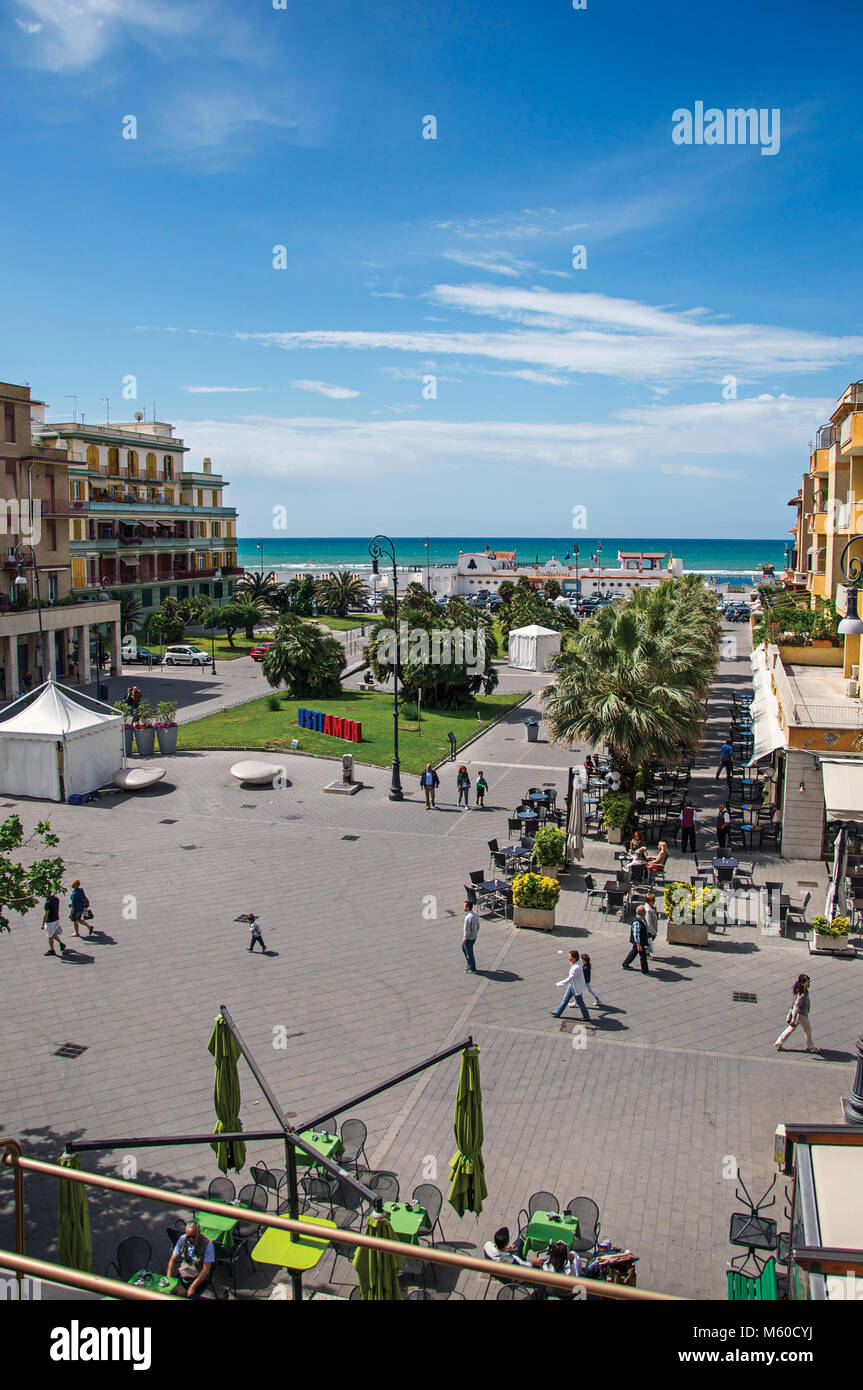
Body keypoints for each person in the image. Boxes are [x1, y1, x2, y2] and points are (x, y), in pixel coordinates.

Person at [167, 1221, 215, 1298]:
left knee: (189, 1296)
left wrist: (192, 1287)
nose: (190, 1239)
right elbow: (172, 1260)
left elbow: (205, 1270)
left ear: (199, 1233)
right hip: (184, 1273)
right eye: (188, 1236)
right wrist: (168, 1280)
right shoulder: (183, 1239)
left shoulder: (207, 1244)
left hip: (198, 1277)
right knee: (169, 1292)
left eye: (193, 1236)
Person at [774, 974, 820, 1053]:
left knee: (790, 1029)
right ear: (802, 983)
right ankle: (810, 1047)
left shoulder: (803, 991)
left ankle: (779, 1043)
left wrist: (792, 1017)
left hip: (800, 1016)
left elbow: (793, 1004)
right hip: (801, 1016)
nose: (809, 984)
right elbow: (796, 1007)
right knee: (808, 1030)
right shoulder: (802, 995)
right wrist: (793, 1019)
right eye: (807, 982)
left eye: (809, 982)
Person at [551, 949, 590, 1020]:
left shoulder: (576, 968)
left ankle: (586, 1017)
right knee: (565, 999)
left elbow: (570, 978)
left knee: (580, 1002)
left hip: (575, 987)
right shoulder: (577, 963)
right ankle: (557, 1012)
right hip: (572, 985)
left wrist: (559, 983)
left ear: (574, 958)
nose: (568, 958)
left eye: (570, 957)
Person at [622, 906, 650, 974]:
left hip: (641, 941)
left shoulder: (642, 918)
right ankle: (645, 970)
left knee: (634, 952)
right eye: (644, 911)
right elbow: (636, 934)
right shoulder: (637, 922)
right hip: (640, 942)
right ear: (640, 912)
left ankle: (625, 964)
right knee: (642, 955)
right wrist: (638, 944)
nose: (645, 912)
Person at [42, 890, 67, 956]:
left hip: (50, 921)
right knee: (53, 933)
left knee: (50, 936)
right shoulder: (56, 899)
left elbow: (46, 914)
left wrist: (43, 924)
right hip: (56, 918)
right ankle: (61, 943)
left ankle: (52, 950)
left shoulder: (48, 903)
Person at [462, 899, 479, 974]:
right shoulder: (474, 913)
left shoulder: (468, 917)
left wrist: (465, 939)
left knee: (468, 953)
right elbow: (478, 925)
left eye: (465, 906)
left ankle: (472, 968)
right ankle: (470, 966)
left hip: (469, 938)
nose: (463, 907)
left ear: (468, 908)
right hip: (474, 936)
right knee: (465, 949)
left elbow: (467, 930)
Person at [644, 892, 659, 956]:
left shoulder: (652, 906)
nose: (653, 902)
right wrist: (653, 931)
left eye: (654, 900)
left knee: (649, 941)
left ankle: (646, 952)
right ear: (648, 901)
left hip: (653, 927)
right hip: (650, 929)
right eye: (652, 901)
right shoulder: (648, 910)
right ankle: (646, 953)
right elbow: (648, 922)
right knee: (650, 941)